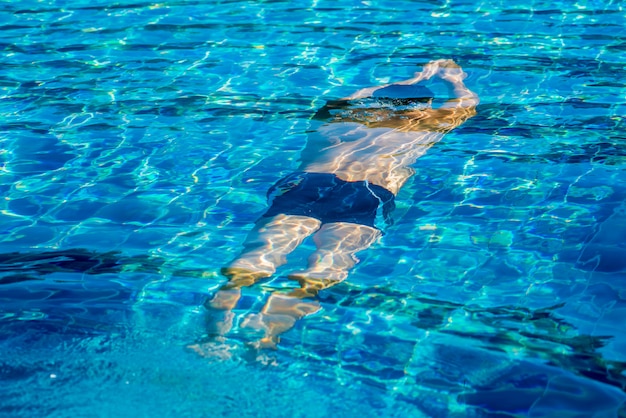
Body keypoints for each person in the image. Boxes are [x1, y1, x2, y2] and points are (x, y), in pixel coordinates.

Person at [205, 59, 478, 349]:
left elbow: (353, 95)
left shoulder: (338, 118)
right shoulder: (426, 125)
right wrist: (454, 80)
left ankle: (227, 299)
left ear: (377, 98)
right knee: (331, 261)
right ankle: (275, 325)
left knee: (262, 252)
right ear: (422, 107)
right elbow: (467, 103)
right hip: (367, 192)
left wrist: (407, 80)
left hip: (307, 183)